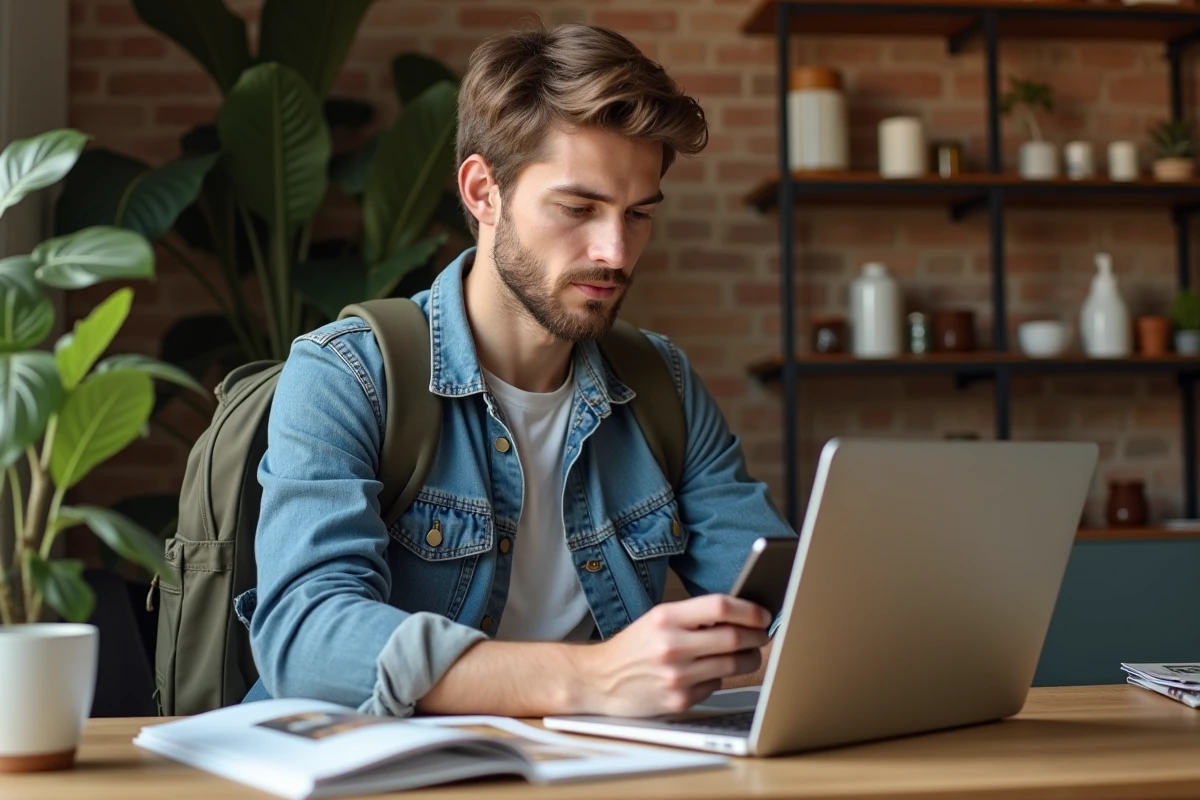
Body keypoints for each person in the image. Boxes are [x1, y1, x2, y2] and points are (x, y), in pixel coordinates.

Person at [244, 22, 795, 719]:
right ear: (482, 192)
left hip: (589, 771)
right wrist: (591, 679)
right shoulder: (345, 374)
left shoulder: (664, 385)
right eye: (578, 207)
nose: (615, 251)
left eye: (638, 214)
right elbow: (307, 638)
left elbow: (786, 610)